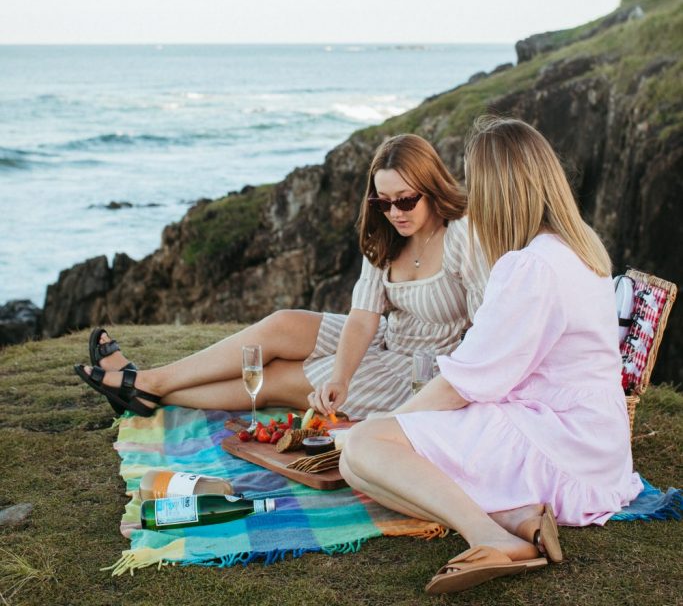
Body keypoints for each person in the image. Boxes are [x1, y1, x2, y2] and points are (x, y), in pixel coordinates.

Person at [339, 116, 642, 596]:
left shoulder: (531, 267)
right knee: (356, 462)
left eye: (478, 185)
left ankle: (492, 538)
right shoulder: (576, 247)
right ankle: (515, 517)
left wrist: (391, 427)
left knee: (363, 446)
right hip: (590, 438)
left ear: (500, 190)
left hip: (559, 439)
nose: (473, 201)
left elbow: (466, 381)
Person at [74, 133, 489, 419]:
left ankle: (146, 393)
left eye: (406, 200)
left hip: (422, 373)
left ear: (432, 188)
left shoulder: (463, 236)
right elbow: (364, 317)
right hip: (385, 338)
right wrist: (343, 375)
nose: (394, 212)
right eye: (383, 202)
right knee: (282, 324)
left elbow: (491, 326)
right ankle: (148, 381)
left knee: (272, 380)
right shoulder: (385, 232)